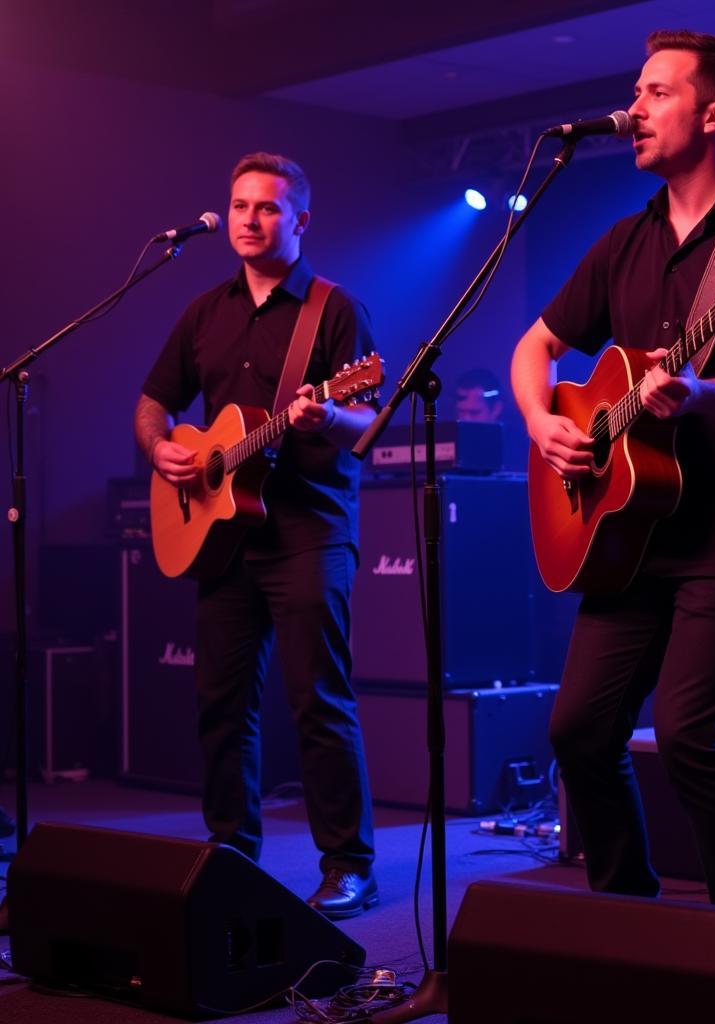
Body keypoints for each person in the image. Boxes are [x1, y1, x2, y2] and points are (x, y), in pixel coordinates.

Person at [511, 30, 715, 931]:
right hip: (629, 536)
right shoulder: (624, 240)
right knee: (577, 733)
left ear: (714, 114)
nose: (633, 109)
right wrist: (544, 422)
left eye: (655, 92)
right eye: (634, 92)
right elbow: (537, 346)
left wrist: (697, 392)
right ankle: (630, 923)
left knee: (691, 734)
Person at [134, 152, 378, 919]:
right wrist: (163, 447)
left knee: (318, 700)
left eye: (266, 208)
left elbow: (368, 420)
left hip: (309, 528)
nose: (248, 219)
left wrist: (327, 413)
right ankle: (231, 852)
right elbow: (152, 402)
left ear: (299, 220)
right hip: (223, 539)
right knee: (221, 702)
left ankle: (348, 864)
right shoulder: (205, 310)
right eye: (239, 205)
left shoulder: (335, 310)